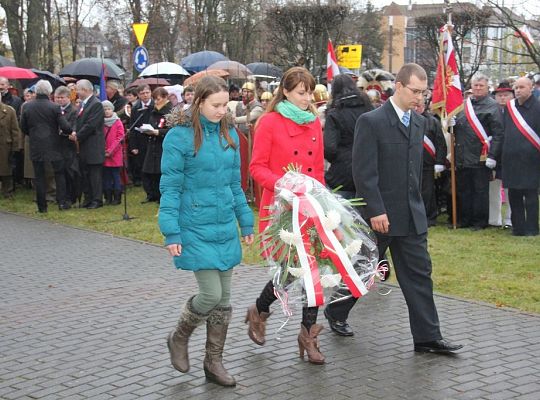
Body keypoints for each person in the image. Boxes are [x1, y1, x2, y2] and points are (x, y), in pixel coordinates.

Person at [353, 63, 463, 354]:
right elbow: (364, 172)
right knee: (360, 271)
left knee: (418, 275)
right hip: (381, 217)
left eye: (423, 92)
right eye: (415, 91)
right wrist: (376, 209)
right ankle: (335, 313)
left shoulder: (420, 122)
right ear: (399, 87)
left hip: (411, 217)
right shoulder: (371, 121)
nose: (419, 98)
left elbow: (413, 172)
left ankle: (428, 337)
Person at [159, 75, 254, 387]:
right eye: (216, 105)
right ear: (197, 101)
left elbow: (235, 185)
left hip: (224, 224)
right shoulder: (178, 137)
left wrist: (246, 222)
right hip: (194, 226)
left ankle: (214, 362)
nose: (222, 110)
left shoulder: (229, 134)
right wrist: (171, 232)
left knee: (224, 298)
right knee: (211, 294)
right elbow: (170, 188)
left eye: (226, 105)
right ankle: (179, 335)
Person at [245, 67, 326, 364]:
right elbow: (257, 167)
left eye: (310, 93)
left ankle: (308, 335)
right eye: (301, 93)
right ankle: (260, 309)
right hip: (280, 208)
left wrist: (321, 201)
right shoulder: (269, 122)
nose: (307, 99)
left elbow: (316, 169)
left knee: (312, 274)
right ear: (286, 92)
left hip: (309, 208)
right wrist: (284, 185)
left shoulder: (314, 123)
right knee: (291, 271)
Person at [321, 74, 374, 336]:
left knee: (344, 229)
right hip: (368, 174)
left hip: (342, 176)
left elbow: (328, 148)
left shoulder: (335, 114)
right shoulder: (369, 108)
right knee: (368, 230)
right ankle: (378, 267)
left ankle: (343, 264)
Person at [453, 73, 504, 230]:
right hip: (462, 155)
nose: (478, 88)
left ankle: (479, 221)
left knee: (480, 191)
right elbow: (456, 130)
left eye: (481, 85)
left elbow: (498, 133)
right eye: (475, 85)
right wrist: (451, 124)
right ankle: (465, 219)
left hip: (481, 156)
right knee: (464, 190)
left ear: (487, 87)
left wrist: (493, 155)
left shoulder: (492, 106)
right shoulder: (464, 105)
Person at [20, 80, 72, 212]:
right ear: (50, 92)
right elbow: (65, 126)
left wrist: (33, 135)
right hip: (54, 145)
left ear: (36, 91)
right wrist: (67, 131)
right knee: (59, 174)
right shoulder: (54, 107)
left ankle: (42, 206)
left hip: (36, 145)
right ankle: (61, 203)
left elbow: (23, 127)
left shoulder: (27, 106)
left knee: (39, 176)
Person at [502, 77, 540, 236]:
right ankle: (517, 227)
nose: (518, 90)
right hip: (511, 158)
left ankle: (532, 228)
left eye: (522, 87)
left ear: (531, 88)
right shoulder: (509, 108)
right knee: (514, 195)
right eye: (516, 87)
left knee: (531, 195)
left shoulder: (538, 107)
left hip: (532, 158)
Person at [69, 79, 105, 209]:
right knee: (85, 173)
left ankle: (97, 199)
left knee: (94, 174)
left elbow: (91, 124)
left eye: (77, 89)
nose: (76, 92)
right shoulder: (82, 105)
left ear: (85, 90)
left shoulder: (96, 104)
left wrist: (78, 135)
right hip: (84, 145)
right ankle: (88, 198)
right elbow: (77, 120)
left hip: (93, 145)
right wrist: (73, 131)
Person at [416, 100, 447, 227]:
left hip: (428, 164)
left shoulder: (432, 121)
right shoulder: (406, 119)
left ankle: (429, 217)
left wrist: (440, 162)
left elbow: (440, 143)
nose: (417, 108)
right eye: (415, 105)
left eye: (419, 105)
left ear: (424, 106)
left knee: (427, 192)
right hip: (412, 163)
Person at [140, 87, 172, 203]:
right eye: (155, 99)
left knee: (160, 171)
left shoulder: (170, 111)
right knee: (148, 171)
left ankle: (161, 195)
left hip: (163, 145)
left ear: (165, 98)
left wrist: (158, 132)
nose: (156, 102)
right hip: (152, 143)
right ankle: (151, 194)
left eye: (158, 99)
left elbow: (171, 130)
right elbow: (151, 124)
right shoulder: (154, 111)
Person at [490, 81, 514, 229]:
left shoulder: (518, 112)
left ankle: (510, 218)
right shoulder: (492, 111)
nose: (502, 98)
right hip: (494, 154)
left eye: (506, 95)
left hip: (511, 155)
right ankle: (494, 219)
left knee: (511, 189)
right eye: (499, 95)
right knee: (493, 188)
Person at [54, 85, 80, 206]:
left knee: (70, 172)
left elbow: (74, 126)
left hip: (69, 145)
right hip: (57, 145)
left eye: (62, 97)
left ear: (68, 98)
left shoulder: (74, 110)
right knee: (59, 172)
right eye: (57, 97)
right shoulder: (54, 109)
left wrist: (65, 132)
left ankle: (71, 196)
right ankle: (61, 197)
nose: (59, 100)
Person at [128, 84, 153, 187]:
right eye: (142, 93)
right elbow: (132, 127)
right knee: (142, 164)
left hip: (154, 138)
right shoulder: (136, 108)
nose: (145, 95)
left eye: (147, 93)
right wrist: (133, 146)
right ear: (138, 95)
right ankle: (147, 187)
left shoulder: (155, 106)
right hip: (141, 139)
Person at [102, 100, 125, 205]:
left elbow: (119, 137)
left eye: (109, 109)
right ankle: (108, 197)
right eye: (105, 109)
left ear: (112, 109)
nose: (107, 111)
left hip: (115, 153)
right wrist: (104, 149)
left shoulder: (117, 122)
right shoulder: (101, 122)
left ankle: (117, 196)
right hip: (104, 153)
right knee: (106, 176)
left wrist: (110, 150)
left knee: (115, 175)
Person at [0, 103, 21, 199]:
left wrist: (15, 148)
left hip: (5, 145)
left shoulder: (9, 111)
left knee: (6, 171)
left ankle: (7, 192)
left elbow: (15, 131)